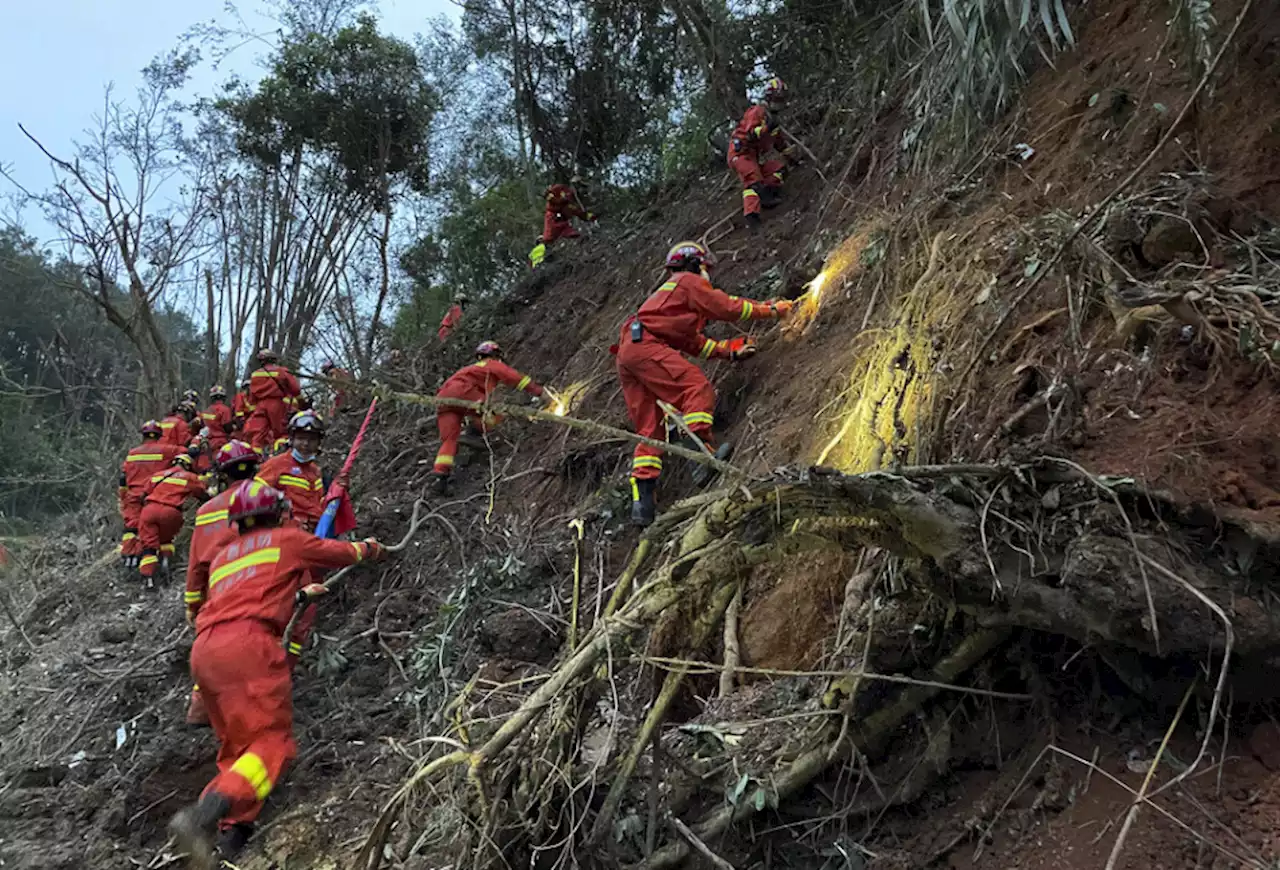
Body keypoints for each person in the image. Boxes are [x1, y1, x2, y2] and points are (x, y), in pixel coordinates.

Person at [167, 482, 385, 866]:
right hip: (249, 645)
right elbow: (342, 552)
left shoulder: (223, 556)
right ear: (278, 512)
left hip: (205, 651)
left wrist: (297, 597)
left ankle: (232, 835)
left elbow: (249, 591)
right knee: (271, 744)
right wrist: (370, 548)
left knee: (237, 746)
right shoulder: (287, 539)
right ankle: (203, 813)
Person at [614, 241, 793, 524]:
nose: (709, 275)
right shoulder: (687, 281)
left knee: (650, 429)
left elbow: (695, 344)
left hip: (630, 351)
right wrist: (771, 310)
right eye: (706, 269)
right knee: (695, 387)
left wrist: (730, 352)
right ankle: (701, 456)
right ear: (696, 265)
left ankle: (642, 503)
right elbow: (729, 308)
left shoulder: (669, 303)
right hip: (645, 346)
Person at [183, 440, 261, 727]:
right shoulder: (268, 498)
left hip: (218, 591)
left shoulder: (206, 513)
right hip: (257, 584)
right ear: (254, 469)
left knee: (214, 647)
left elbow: (196, 567)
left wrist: (193, 606)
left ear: (222, 474)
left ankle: (201, 710)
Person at [432, 341, 547, 495]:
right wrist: (539, 391)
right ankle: (475, 433)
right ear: (494, 355)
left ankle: (440, 478)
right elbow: (513, 377)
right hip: (463, 391)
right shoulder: (490, 364)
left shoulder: (468, 370)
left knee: (449, 440)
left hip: (443, 398)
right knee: (495, 412)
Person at [728, 77, 796, 229]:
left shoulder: (773, 118)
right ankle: (752, 217)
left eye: (783, 99)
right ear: (770, 97)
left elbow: (779, 143)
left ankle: (770, 194)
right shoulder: (757, 111)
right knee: (753, 179)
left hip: (752, 156)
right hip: (740, 154)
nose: (781, 103)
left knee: (778, 169)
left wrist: (791, 158)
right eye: (778, 99)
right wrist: (766, 128)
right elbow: (751, 133)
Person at [119, 421, 185, 570]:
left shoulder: (132, 453)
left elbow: (123, 478)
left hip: (133, 495)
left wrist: (123, 496)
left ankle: (130, 559)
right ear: (160, 435)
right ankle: (160, 562)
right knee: (156, 530)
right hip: (154, 497)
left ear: (143, 435)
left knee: (132, 528)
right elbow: (187, 454)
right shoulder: (168, 450)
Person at [138, 452, 209, 584]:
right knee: (166, 540)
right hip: (171, 512)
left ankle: (148, 579)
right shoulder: (190, 477)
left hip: (150, 510)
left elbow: (144, 493)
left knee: (149, 546)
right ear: (188, 466)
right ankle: (166, 566)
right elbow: (202, 494)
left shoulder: (157, 475)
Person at [254, 411, 328, 533]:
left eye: (311, 439)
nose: (305, 444)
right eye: (301, 438)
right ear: (292, 439)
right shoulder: (276, 465)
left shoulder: (316, 472)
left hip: (314, 533)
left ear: (318, 442)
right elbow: (254, 498)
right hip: (285, 534)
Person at [242, 349, 301, 453]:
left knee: (258, 435)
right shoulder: (282, 371)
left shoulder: (255, 375)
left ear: (261, 361)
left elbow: (252, 397)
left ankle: (256, 460)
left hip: (260, 406)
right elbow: (296, 390)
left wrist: (252, 411)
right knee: (281, 432)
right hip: (276, 405)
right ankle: (280, 454)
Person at [200, 386, 235, 452]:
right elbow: (227, 428)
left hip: (207, 443)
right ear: (223, 398)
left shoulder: (206, 411)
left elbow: (202, 425)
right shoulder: (225, 409)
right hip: (221, 443)